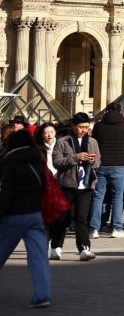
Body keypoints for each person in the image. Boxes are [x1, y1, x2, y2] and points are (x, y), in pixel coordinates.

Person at [0, 129, 52, 307]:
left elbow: (6, 193)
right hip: (36, 215)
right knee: (39, 257)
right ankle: (42, 294)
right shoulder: (37, 159)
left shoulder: (9, 162)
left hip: (14, 216)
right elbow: (45, 186)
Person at [50, 113, 101, 262]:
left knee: (81, 217)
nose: (83, 130)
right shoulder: (63, 141)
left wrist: (92, 161)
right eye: (81, 127)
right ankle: (56, 247)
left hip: (85, 185)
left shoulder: (93, 142)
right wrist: (75, 158)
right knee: (63, 218)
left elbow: (98, 162)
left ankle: (84, 248)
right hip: (66, 184)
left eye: (86, 127)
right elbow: (57, 162)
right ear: (74, 126)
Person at [89, 102, 124, 239]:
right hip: (119, 165)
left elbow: (93, 143)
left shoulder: (98, 126)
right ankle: (116, 228)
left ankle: (94, 228)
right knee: (118, 197)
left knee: (98, 197)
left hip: (101, 164)